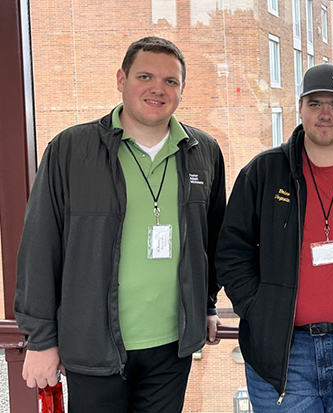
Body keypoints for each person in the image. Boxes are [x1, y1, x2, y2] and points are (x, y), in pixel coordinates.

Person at [14, 36, 226, 413]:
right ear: (121, 79)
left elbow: (212, 238)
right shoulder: (70, 150)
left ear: (181, 90)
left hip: (171, 349)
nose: (157, 89)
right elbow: (39, 247)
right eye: (145, 76)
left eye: (171, 81)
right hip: (93, 346)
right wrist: (41, 339)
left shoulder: (202, 151)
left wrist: (207, 305)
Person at [216, 64, 333, 412]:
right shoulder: (263, 173)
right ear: (300, 107)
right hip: (283, 353)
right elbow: (232, 251)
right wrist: (259, 310)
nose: (325, 114)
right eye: (315, 103)